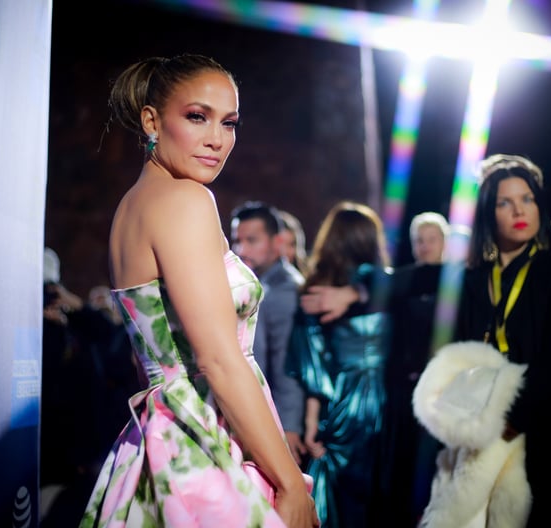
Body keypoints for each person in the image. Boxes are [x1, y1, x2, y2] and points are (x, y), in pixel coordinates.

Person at [78, 54, 318, 528]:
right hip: (204, 438)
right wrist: (291, 483)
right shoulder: (186, 200)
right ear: (151, 120)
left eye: (229, 123)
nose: (217, 139)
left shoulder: (132, 207)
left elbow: (149, 356)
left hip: (160, 437)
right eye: (196, 116)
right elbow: (217, 361)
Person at [452, 153, 551, 527]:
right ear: (489, 211)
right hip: (487, 437)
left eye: (527, 199)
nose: (519, 210)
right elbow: (459, 355)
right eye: (505, 202)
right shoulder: (473, 279)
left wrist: (510, 413)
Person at [286, 200, 393, 528]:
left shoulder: (318, 287)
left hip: (342, 400)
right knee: (381, 491)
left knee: (336, 490)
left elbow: (313, 361)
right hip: (388, 399)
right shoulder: (382, 285)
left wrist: (310, 422)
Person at [230, 201, 307, 465]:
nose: (241, 249)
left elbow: (287, 363)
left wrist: (288, 426)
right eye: (237, 240)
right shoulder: (260, 283)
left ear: (279, 241)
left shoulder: (284, 289)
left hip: (276, 423)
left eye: (252, 240)